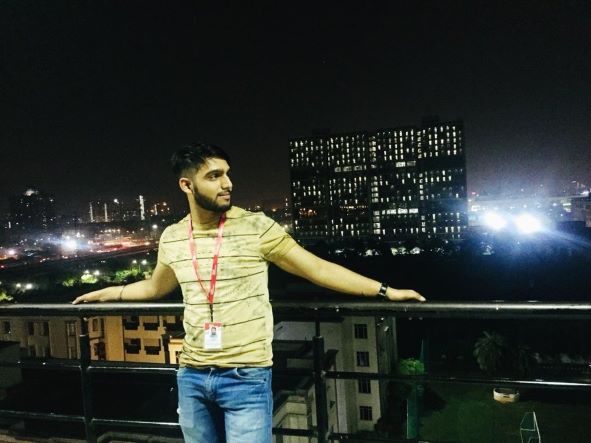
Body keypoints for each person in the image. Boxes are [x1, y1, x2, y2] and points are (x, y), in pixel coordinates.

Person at [72, 143, 426, 443]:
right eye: (214, 176)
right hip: (192, 374)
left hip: (246, 375)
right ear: (187, 185)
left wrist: (385, 291)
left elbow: (316, 269)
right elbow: (155, 287)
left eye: (227, 173)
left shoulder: (256, 227)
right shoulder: (173, 237)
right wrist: (107, 293)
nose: (228, 183)